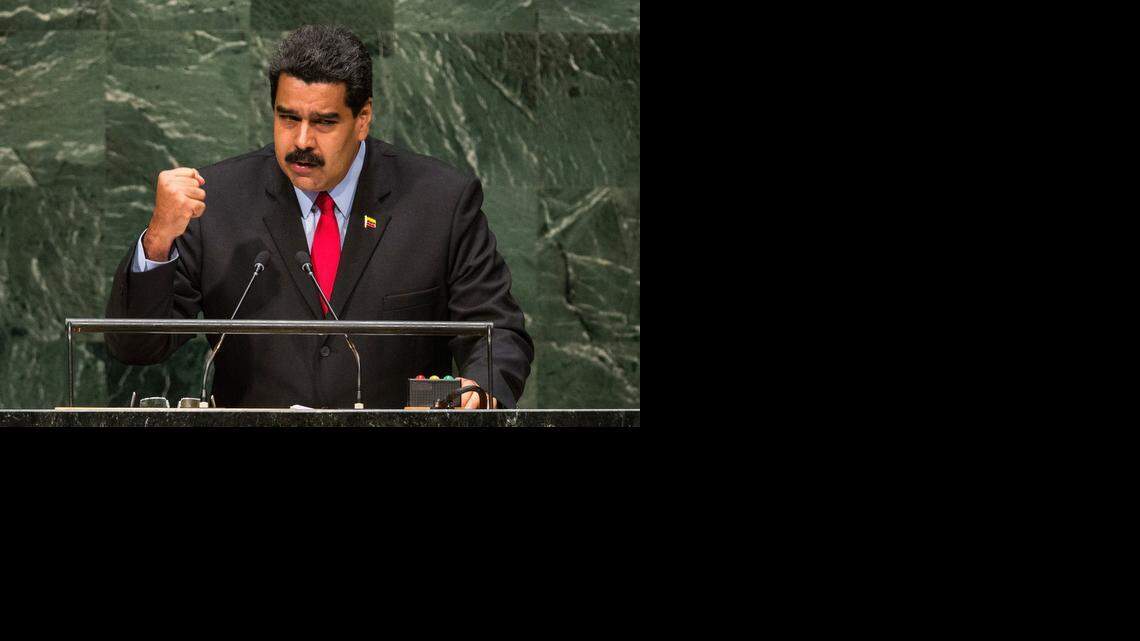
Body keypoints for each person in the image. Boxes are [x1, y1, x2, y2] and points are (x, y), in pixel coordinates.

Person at [105, 25, 533, 409]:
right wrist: (158, 238)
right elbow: (137, 345)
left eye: (324, 122)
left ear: (362, 119)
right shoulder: (218, 201)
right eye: (287, 118)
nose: (302, 141)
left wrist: (480, 389)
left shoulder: (438, 201)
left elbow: (497, 332)